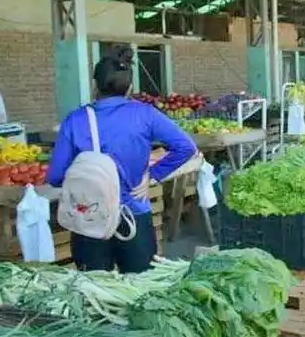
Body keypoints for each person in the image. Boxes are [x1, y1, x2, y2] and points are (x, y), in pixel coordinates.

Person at [46, 45, 197, 273]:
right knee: (140, 290)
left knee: (96, 289)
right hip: (134, 217)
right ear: (130, 87)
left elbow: (55, 177)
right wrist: (153, 176)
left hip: (90, 220)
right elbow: (186, 147)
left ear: (95, 86)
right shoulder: (145, 114)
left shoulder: (75, 120)